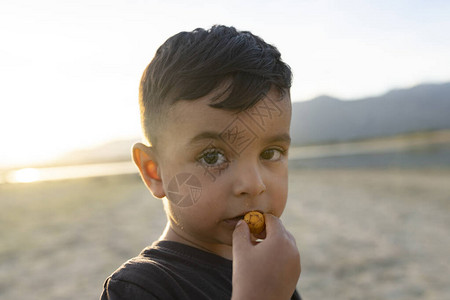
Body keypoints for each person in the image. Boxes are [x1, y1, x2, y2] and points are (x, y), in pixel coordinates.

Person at [100, 25, 301, 300]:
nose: (253, 184)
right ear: (154, 171)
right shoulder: (141, 288)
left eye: (270, 153)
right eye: (211, 157)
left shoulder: (269, 271)